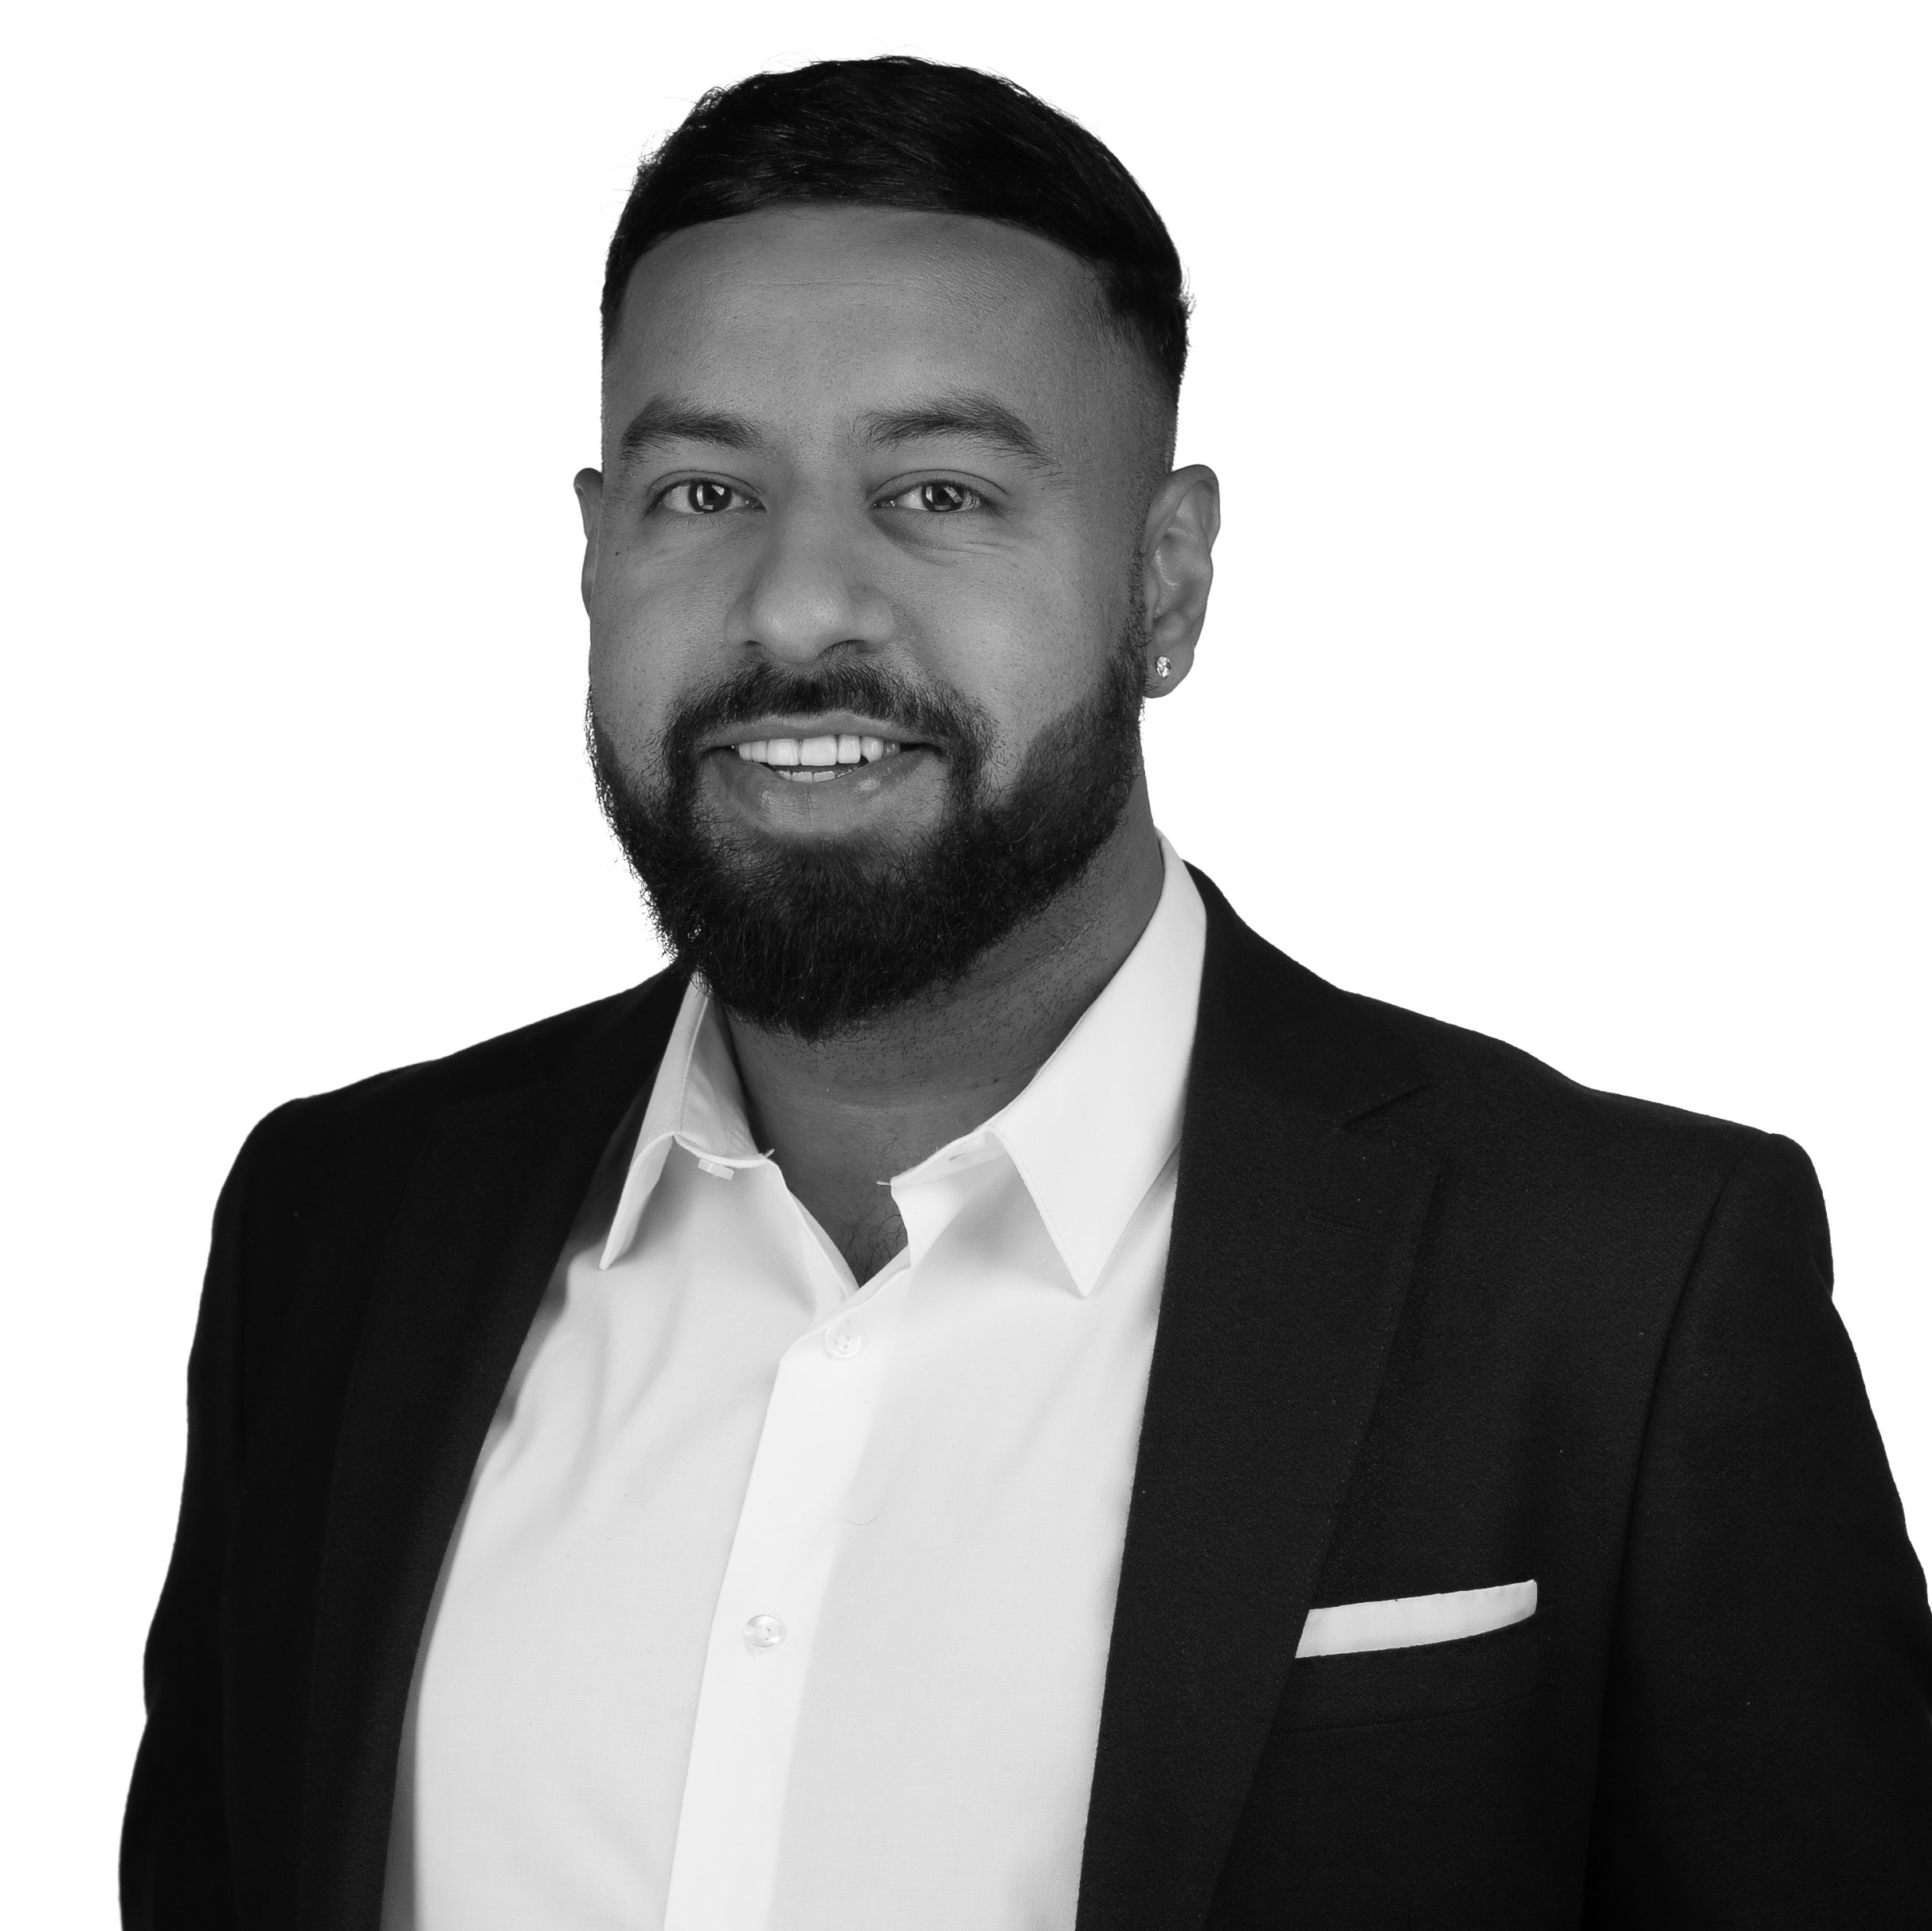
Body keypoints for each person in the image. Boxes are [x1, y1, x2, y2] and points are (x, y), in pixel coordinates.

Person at [122, 55, 1932, 1931]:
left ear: (1165, 581)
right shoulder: (338, 1235)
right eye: (702, 488)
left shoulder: (1614, 1283)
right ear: (594, 552)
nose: (796, 604)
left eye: (938, 490)